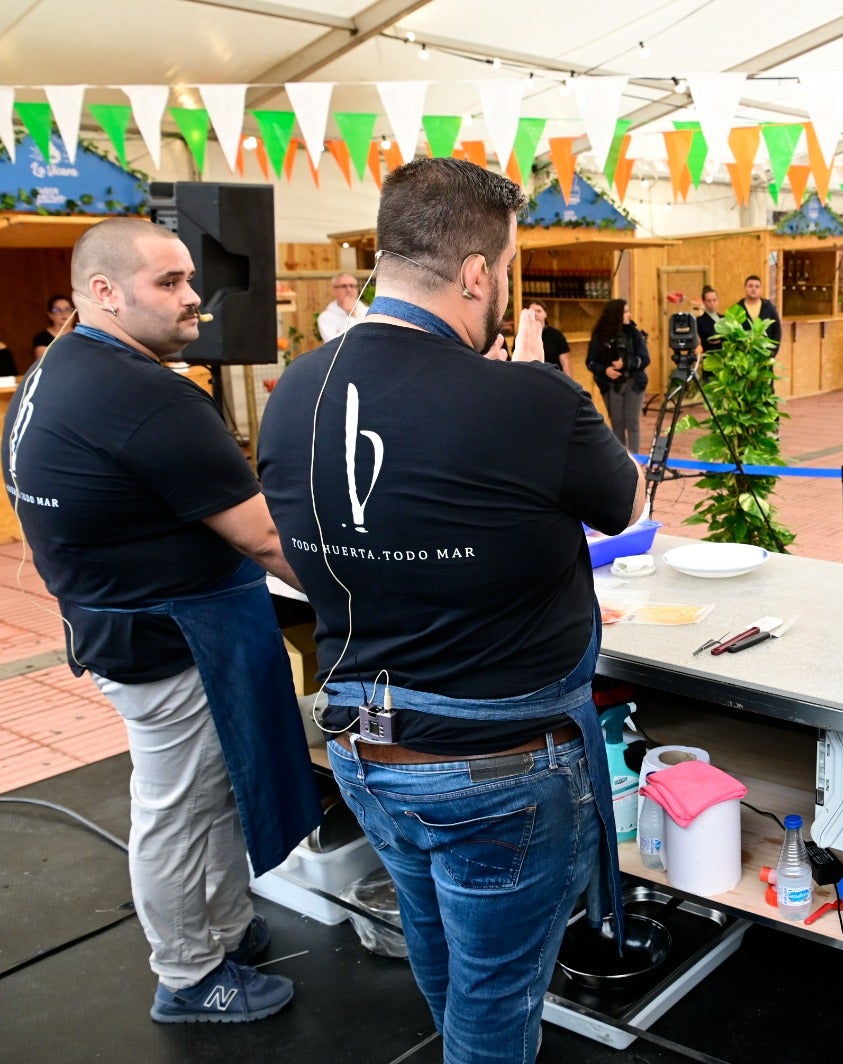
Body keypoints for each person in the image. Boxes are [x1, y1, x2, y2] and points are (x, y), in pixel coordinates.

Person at [257, 157, 644, 1063]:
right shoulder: (528, 397)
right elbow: (626, 503)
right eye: (505, 268)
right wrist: (544, 386)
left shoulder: (296, 390)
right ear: (476, 273)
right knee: (496, 998)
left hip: (364, 746)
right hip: (498, 767)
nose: (504, 287)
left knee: (441, 958)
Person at [3, 217, 316, 1024]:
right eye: (168, 283)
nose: (193, 300)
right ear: (104, 292)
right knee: (179, 809)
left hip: (118, 623)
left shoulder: (55, 369)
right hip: (173, 641)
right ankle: (187, 973)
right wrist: (370, 606)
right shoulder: (146, 396)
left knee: (212, 794)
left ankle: (223, 928)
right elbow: (265, 539)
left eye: (190, 281)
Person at [586, 298, 651, 453]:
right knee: (617, 424)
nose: (629, 315)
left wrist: (626, 363)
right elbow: (590, 362)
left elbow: (645, 359)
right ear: (616, 315)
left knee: (632, 423)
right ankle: (621, 460)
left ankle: (635, 459)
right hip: (611, 385)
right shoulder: (600, 335)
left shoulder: (634, 333)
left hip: (634, 383)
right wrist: (605, 370)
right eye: (625, 312)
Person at [512, 301, 570, 373]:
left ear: (545, 314)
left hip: (553, 376)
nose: (535, 314)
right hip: (530, 375)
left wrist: (568, 379)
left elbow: (565, 363)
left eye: (538, 311)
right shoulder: (521, 335)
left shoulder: (556, 334)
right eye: (532, 311)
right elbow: (515, 361)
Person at [317, 273, 368, 341]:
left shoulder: (368, 312)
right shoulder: (326, 317)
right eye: (344, 286)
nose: (349, 290)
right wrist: (351, 316)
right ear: (334, 290)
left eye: (352, 286)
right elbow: (333, 343)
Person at [734, 274, 781, 346]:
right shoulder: (737, 309)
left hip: (765, 350)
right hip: (743, 350)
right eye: (750, 286)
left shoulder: (769, 307)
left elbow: (777, 330)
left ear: (761, 289)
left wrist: (773, 350)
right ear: (745, 288)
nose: (754, 289)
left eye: (757, 287)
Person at [32, 292, 76, 364]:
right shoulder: (42, 339)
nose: (63, 313)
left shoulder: (83, 334)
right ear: (50, 315)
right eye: (57, 310)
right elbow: (45, 365)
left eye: (67, 309)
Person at [695, 285, 723, 358]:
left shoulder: (724, 318)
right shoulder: (700, 321)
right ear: (704, 302)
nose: (712, 303)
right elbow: (711, 337)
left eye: (714, 300)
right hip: (710, 357)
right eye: (709, 300)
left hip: (725, 357)